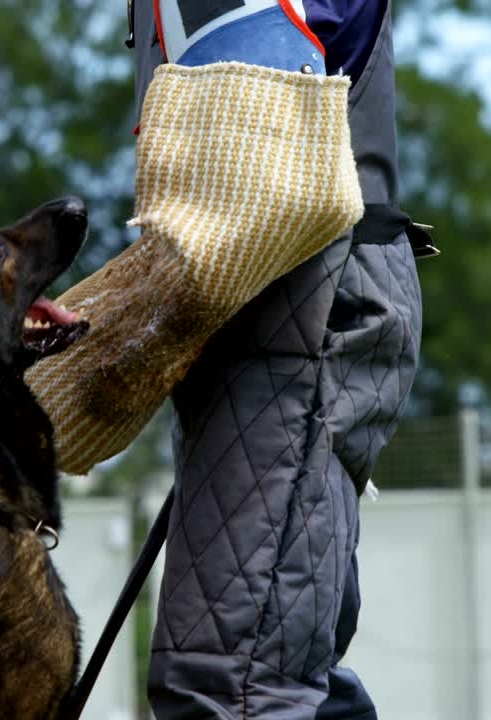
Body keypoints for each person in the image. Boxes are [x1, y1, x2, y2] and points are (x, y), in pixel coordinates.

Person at [130, 0, 425, 717]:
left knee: (233, 686)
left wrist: (125, 322)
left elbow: (253, 176)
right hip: (278, 307)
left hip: (294, 303)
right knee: (282, 673)